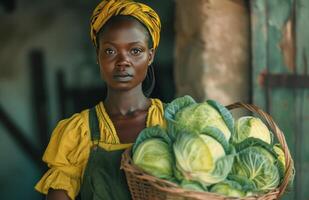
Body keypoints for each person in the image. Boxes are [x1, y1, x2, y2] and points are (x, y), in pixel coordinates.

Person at [35, 0, 165, 199]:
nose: (123, 62)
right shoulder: (79, 132)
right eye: (110, 51)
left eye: (136, 50)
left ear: (150, 56)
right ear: (97, 56)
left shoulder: (172, 121)